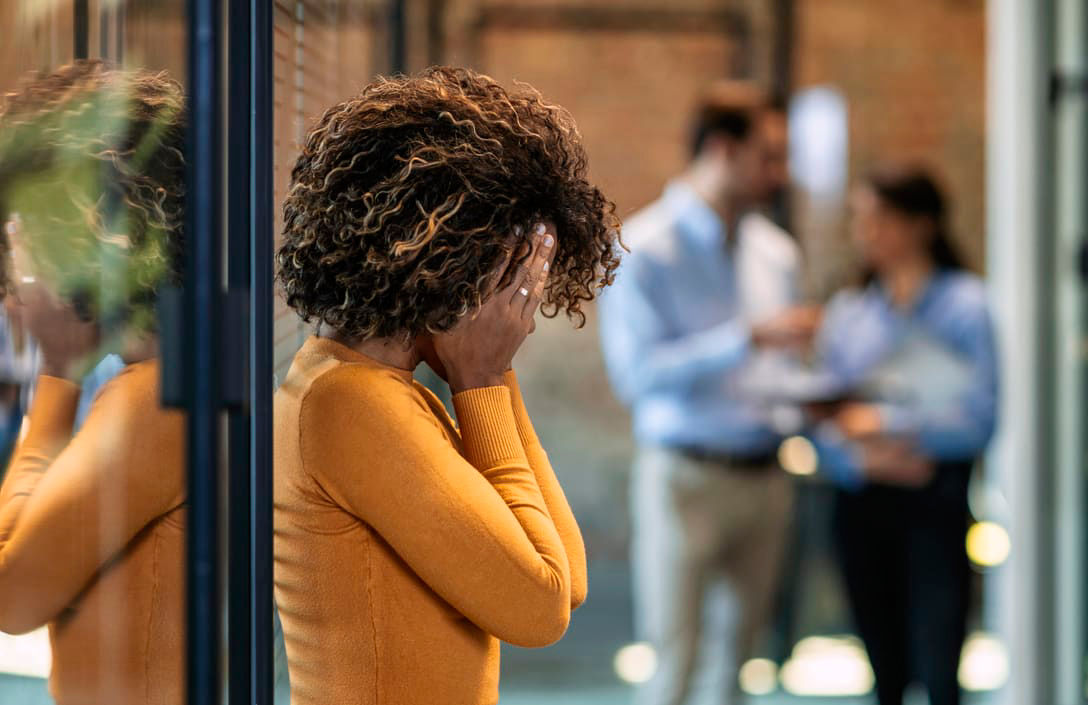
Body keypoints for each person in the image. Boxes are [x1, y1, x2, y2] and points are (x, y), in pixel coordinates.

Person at [273, 66, 618, 705]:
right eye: (508, 278)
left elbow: (567, 577)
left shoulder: (371, 385)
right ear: (443, 261)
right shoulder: (351, 404)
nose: (516, 307)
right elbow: (539, 611)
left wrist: (493, 374)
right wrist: (482, 376)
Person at [598, 82, 819, 705]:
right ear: (723, 148)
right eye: (769, 155)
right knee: (675, 663)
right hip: (684, 480)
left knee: (737, 669)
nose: (781, 173)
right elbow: (636, 378)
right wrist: (743, 339)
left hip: (767, 477)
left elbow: (778, 374)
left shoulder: (776, 254)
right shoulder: (643, 250)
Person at [0, 60, 188, 705]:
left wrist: (57, 371)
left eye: (24, 230)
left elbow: (11, 597)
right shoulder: (164, 379)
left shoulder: (156, 402)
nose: (15, 265)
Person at [810, 165, 998, 705]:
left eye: (880, 220)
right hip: (862, 500)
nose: (866, 234)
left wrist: (891, 428)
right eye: (860, 220)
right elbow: (822, 415)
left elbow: (981, 417)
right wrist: (859, 462)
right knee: (883, 667)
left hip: (933, 500)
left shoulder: (966, 306)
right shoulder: (850, 312)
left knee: (940, 664)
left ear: (921, 225)